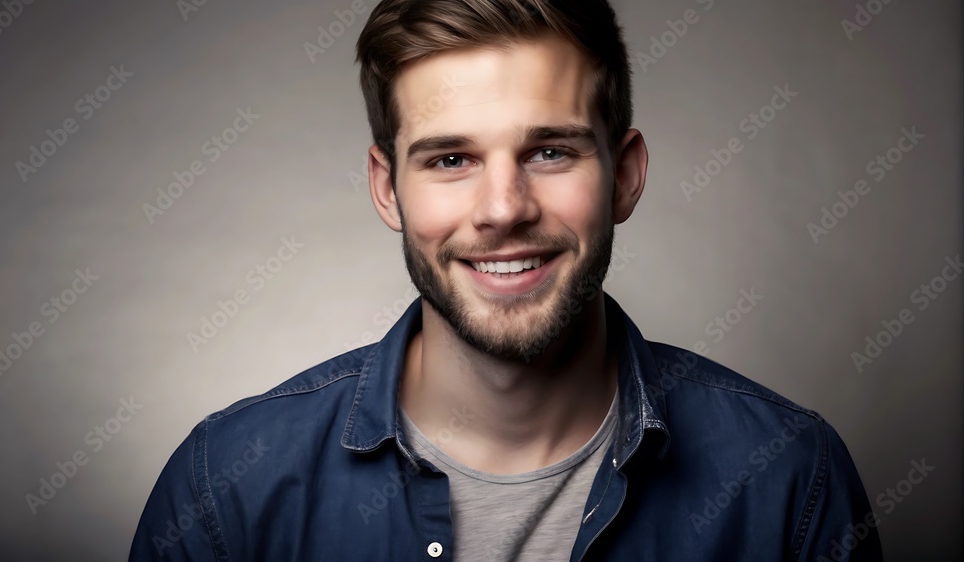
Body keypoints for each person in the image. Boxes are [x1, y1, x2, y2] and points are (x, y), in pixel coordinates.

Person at [130, 1, 882, 560]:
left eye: (550, 151)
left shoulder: (788, 478)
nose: (503, 210)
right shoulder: (226, 489)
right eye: (450, 159)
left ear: (623, 177)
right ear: (388, 188)